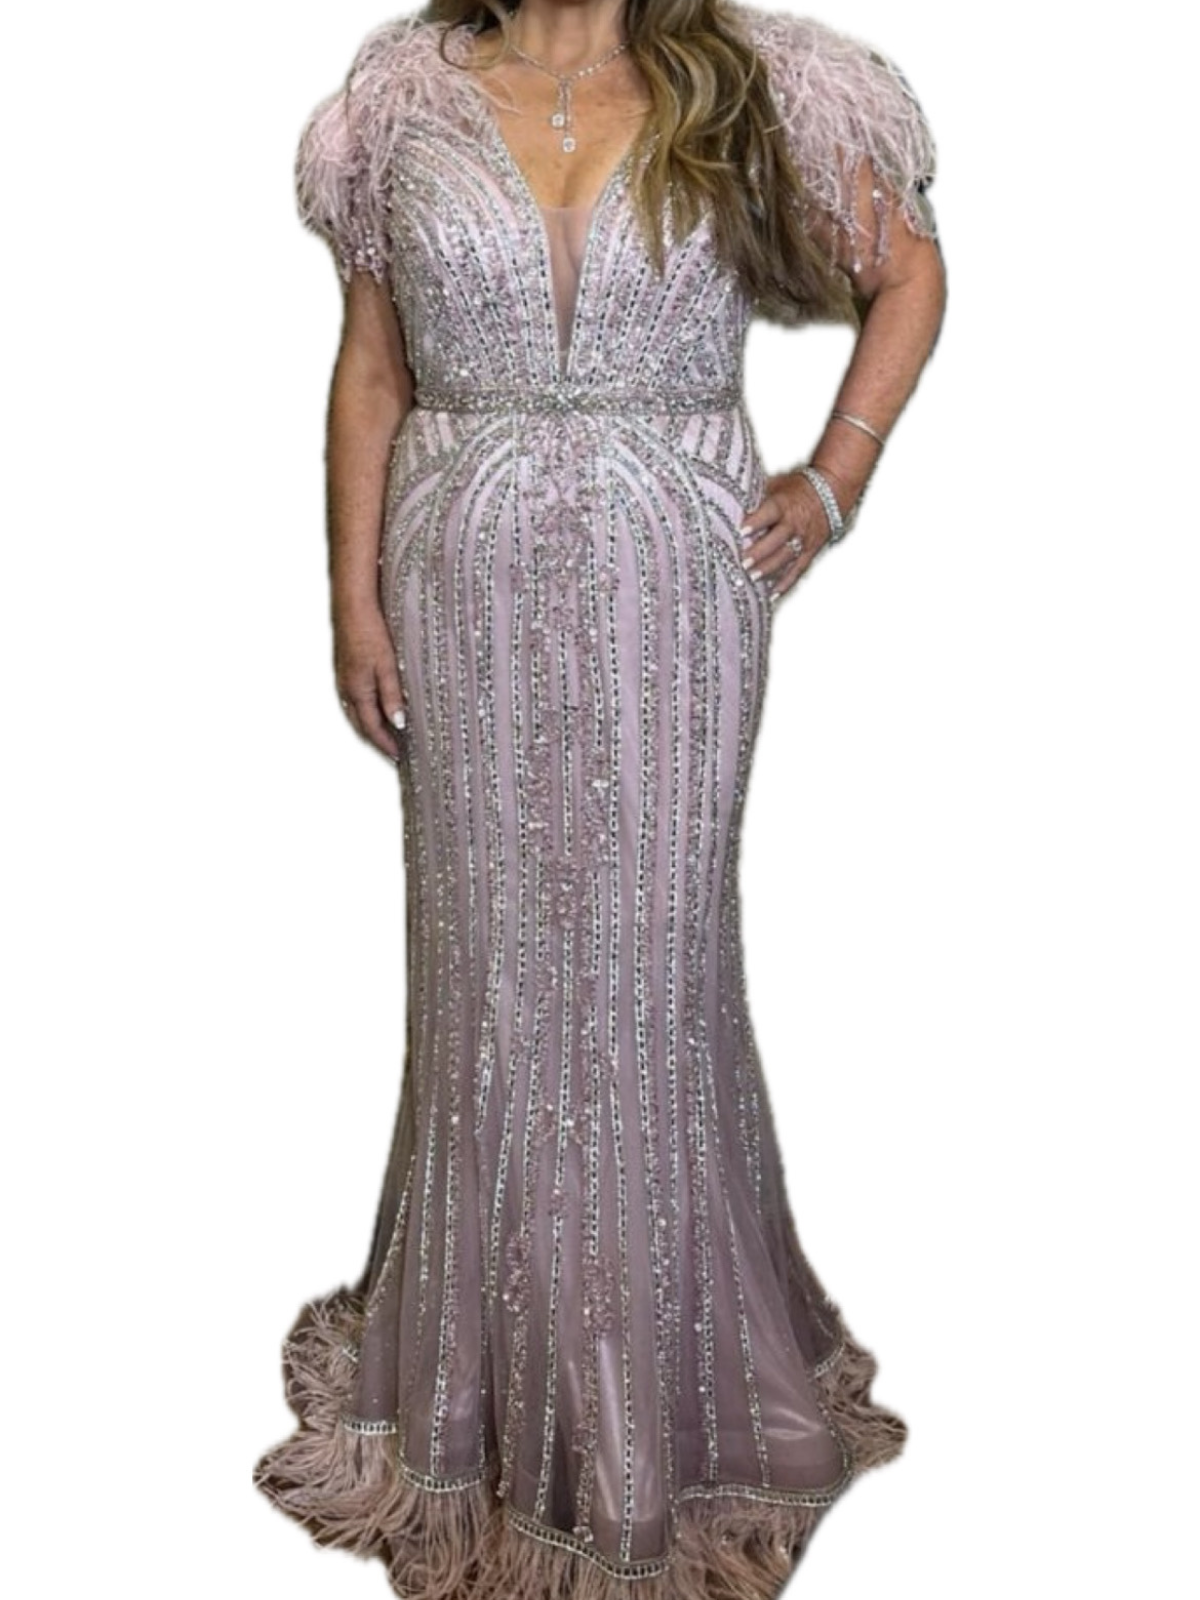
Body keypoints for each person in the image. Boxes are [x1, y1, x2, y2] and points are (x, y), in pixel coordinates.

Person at [254, 1, 946, 1595]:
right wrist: (351, 599)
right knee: (487, 980)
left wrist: (834, 478)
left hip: (676, 578)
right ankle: (483, 1402)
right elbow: (372, 368)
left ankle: (664, 1410)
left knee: (651, 974)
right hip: (461, 577)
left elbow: (908, 275)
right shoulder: (399, 102)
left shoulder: (762, 83)